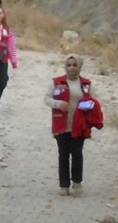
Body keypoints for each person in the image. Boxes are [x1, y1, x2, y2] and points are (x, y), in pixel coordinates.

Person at [44, 55, 103, 196]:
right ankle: (64, 185)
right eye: (69, 65)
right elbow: (47, 99)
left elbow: (94, 102)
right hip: (61, 125)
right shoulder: (57, 83)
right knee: (63, 154)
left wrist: (81, 107)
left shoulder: (86, 85)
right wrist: (58, 104)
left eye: (74, 65)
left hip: (79, 126)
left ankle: (77, 182)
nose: (71, 68)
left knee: (77, 153)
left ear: (79, 67)